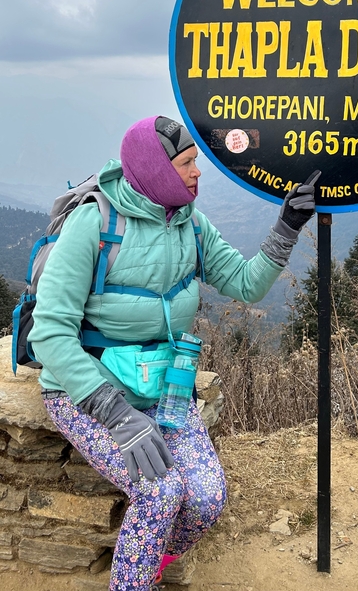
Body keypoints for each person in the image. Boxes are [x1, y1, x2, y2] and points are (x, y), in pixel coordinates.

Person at [28, 115, 317, 591]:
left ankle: (150, 570)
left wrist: (287, 226)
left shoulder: (190, 224)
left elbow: (246, 284)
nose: (198, 172)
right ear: (156, 168)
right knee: (160, 493)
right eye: (187, 164)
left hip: (165, 390)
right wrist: (116, 414)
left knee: (204, 499)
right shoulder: (95, 223)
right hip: (89, 392)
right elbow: (51, 332)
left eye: (195, 163)